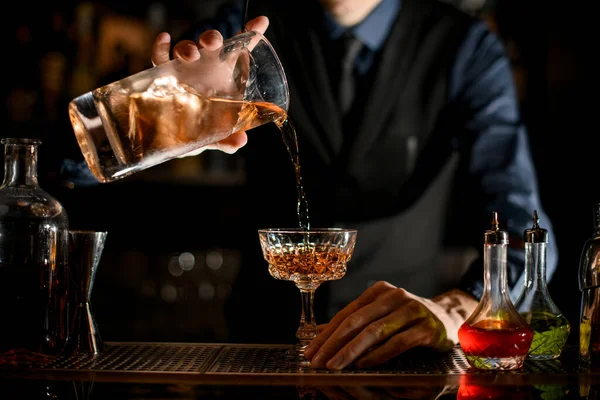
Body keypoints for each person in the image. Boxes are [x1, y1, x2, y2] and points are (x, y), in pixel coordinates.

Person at [152, 0, 558, 370]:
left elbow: (529, 235)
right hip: (261, 352)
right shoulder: (242, 28)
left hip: (402, 361)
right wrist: (159, 118)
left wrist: (459, 307)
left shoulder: (465, 48)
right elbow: (123, 134)